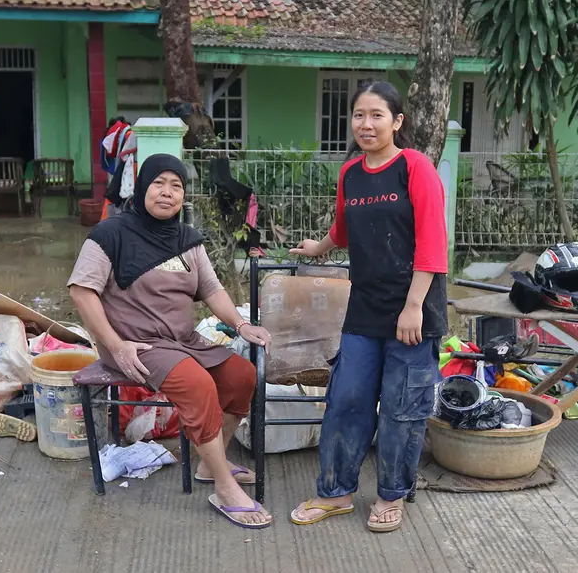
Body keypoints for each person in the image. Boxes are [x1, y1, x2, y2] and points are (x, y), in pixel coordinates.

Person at [67, 153, 274, 529]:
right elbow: (82, 293)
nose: (167, 193)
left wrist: (241, 326)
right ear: (142, 187)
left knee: (242, 376)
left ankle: (212, 464)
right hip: (135, 345)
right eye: (158, 183)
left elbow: (210, 288)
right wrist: (116, 346)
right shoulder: (110, 234)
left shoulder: (187, 239)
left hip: (183, 340)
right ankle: (225, 489)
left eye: (176, 185)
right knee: (196, 385)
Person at [288, 81, 448, 533]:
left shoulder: (415, 167)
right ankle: (335, 492)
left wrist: (413, 305)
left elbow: (434, 244)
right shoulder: (351, 172)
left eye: (377, 115)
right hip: (365, 306)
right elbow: (343, 228)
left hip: (413, 308)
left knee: (402, 408)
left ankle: (392, 495)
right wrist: (319, 247)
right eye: (359, 115)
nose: (366, 124)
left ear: (397, 121)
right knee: (347, 399)